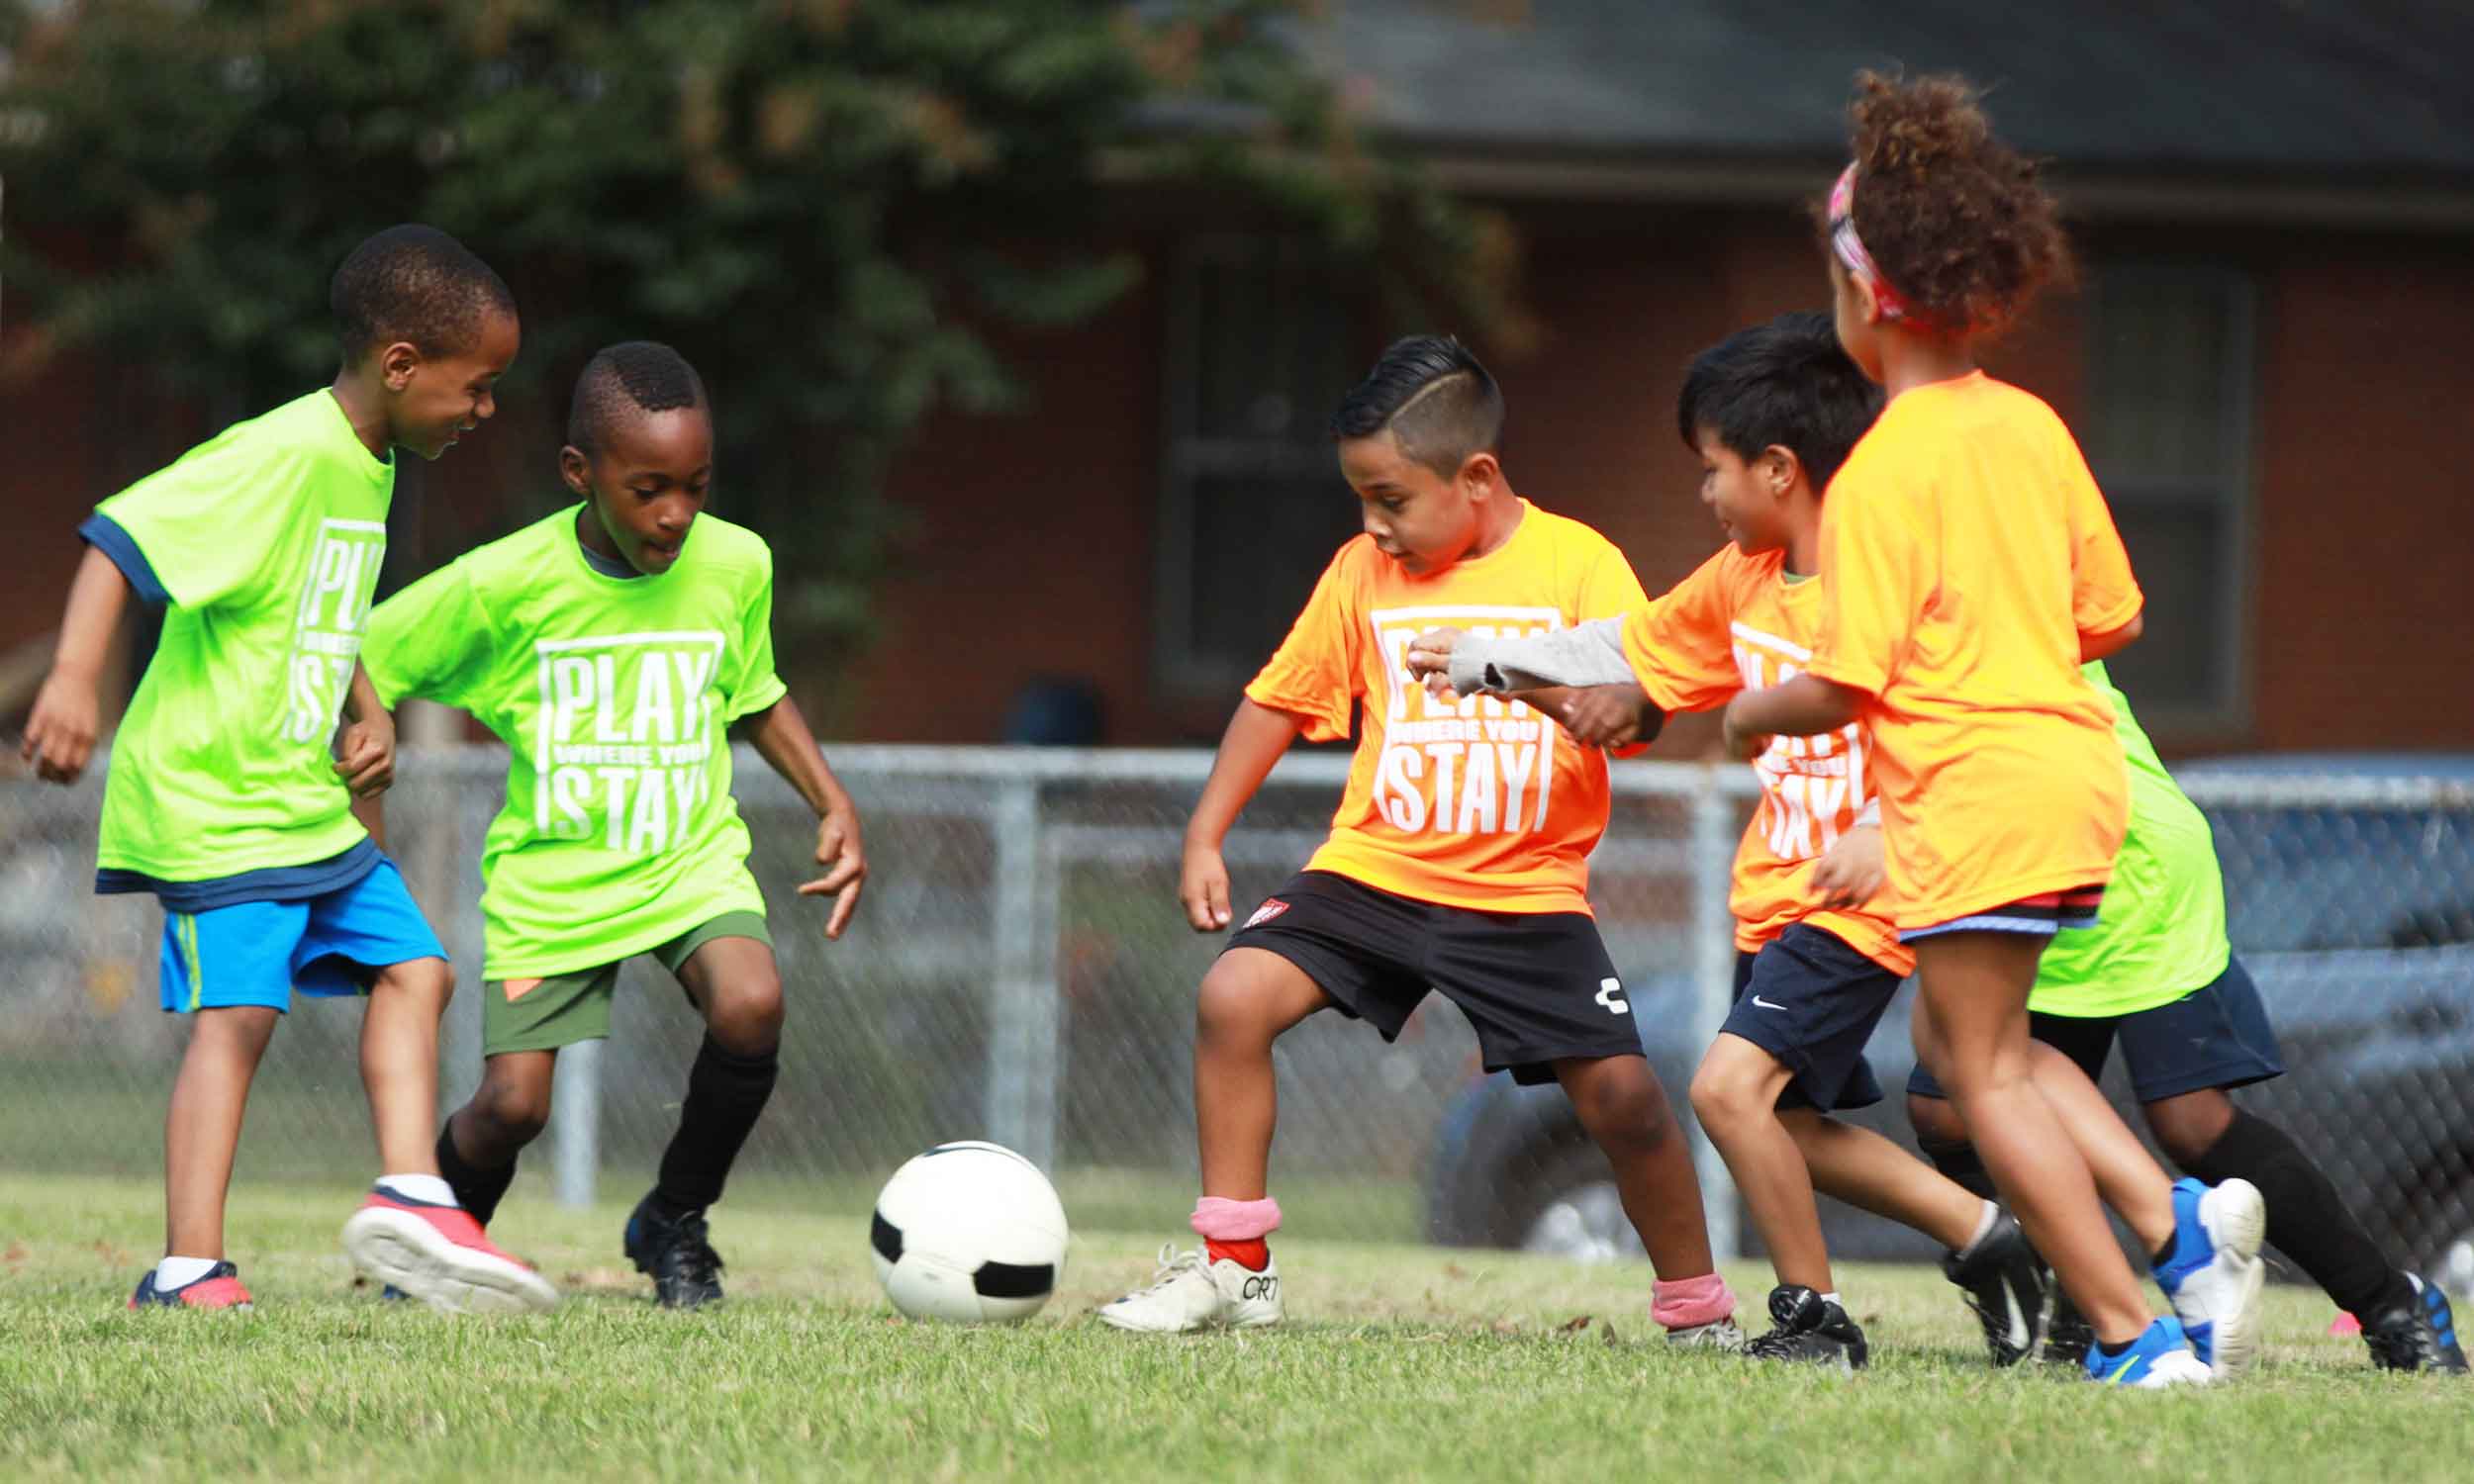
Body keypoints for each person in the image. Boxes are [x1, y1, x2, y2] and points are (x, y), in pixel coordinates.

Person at [1719, 72, 2264, 1388]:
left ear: (1868, 293)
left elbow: (1845, 682)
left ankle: (2138, 1336)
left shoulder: (1886, 464)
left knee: (1979, 1073)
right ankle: (2178, 1224)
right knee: (2000, 1047)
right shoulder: (2030, 424)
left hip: (1967, 787)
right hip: (2076, 771)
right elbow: (2110, 614)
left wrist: (1750, 712)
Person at [1410, 312, 2046, 1371]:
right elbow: (1627, 644)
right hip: (1781, 893)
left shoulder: (1889, 576)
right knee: (1785, 1122)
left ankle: (1814, 1321)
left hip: (1867, 895)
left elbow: (1974, 719)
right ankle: (1986, 1237)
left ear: (1780, 468)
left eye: (1712, 470)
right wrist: (1489, 661)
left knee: (1722, 1089)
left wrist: (1889, 828)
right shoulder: (1741, 579)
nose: (1704, 495)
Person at [1096, 335, 1739, 1344]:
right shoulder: (1360, 573)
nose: (1372, 525)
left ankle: (1696, 1313)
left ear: (1475, 476)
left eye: (1390, 499)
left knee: (1623, 1099)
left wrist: (1548, 684)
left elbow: (1639, 705)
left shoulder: (1579, 563)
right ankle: (1233, 1270)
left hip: (1522, 891)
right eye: (1361, 500)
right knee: (1232, 996)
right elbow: (1277, 700)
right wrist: (1204, 834)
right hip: (1376, 871)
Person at [19, 225, 548, 1313]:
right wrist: (75, 678)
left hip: (298, 800)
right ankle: (187, 1270)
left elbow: (323, 605)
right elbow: (123, 533)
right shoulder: (280, 453)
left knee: (420, 970)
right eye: (478, 386)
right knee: (240, 1020)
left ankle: (410, 1195)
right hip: (217, 799)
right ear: (401, 365)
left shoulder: (368, 465)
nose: (485, 410)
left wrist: (366, 707)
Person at [361, 341, 867, 1309]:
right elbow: (366, 656)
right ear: (578, 473)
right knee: (513, 1107)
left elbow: (753, 693)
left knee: (752, 1003)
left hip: (688, 858)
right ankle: (435, 1240)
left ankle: (673, 1218)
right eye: (647, 490)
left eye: (694, 486)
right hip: (553, 878)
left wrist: (832, 801)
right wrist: (369, 736)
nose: (675, 513)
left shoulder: (737, 563)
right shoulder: (503, 583)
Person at [1899, 662, 2469, 1373]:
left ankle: (2393, 1306)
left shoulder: (1993, 577)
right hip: (2015, 862)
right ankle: (2078, 1300)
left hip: (2127, 867)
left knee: (2191, 1121)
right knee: (1949, 1107)